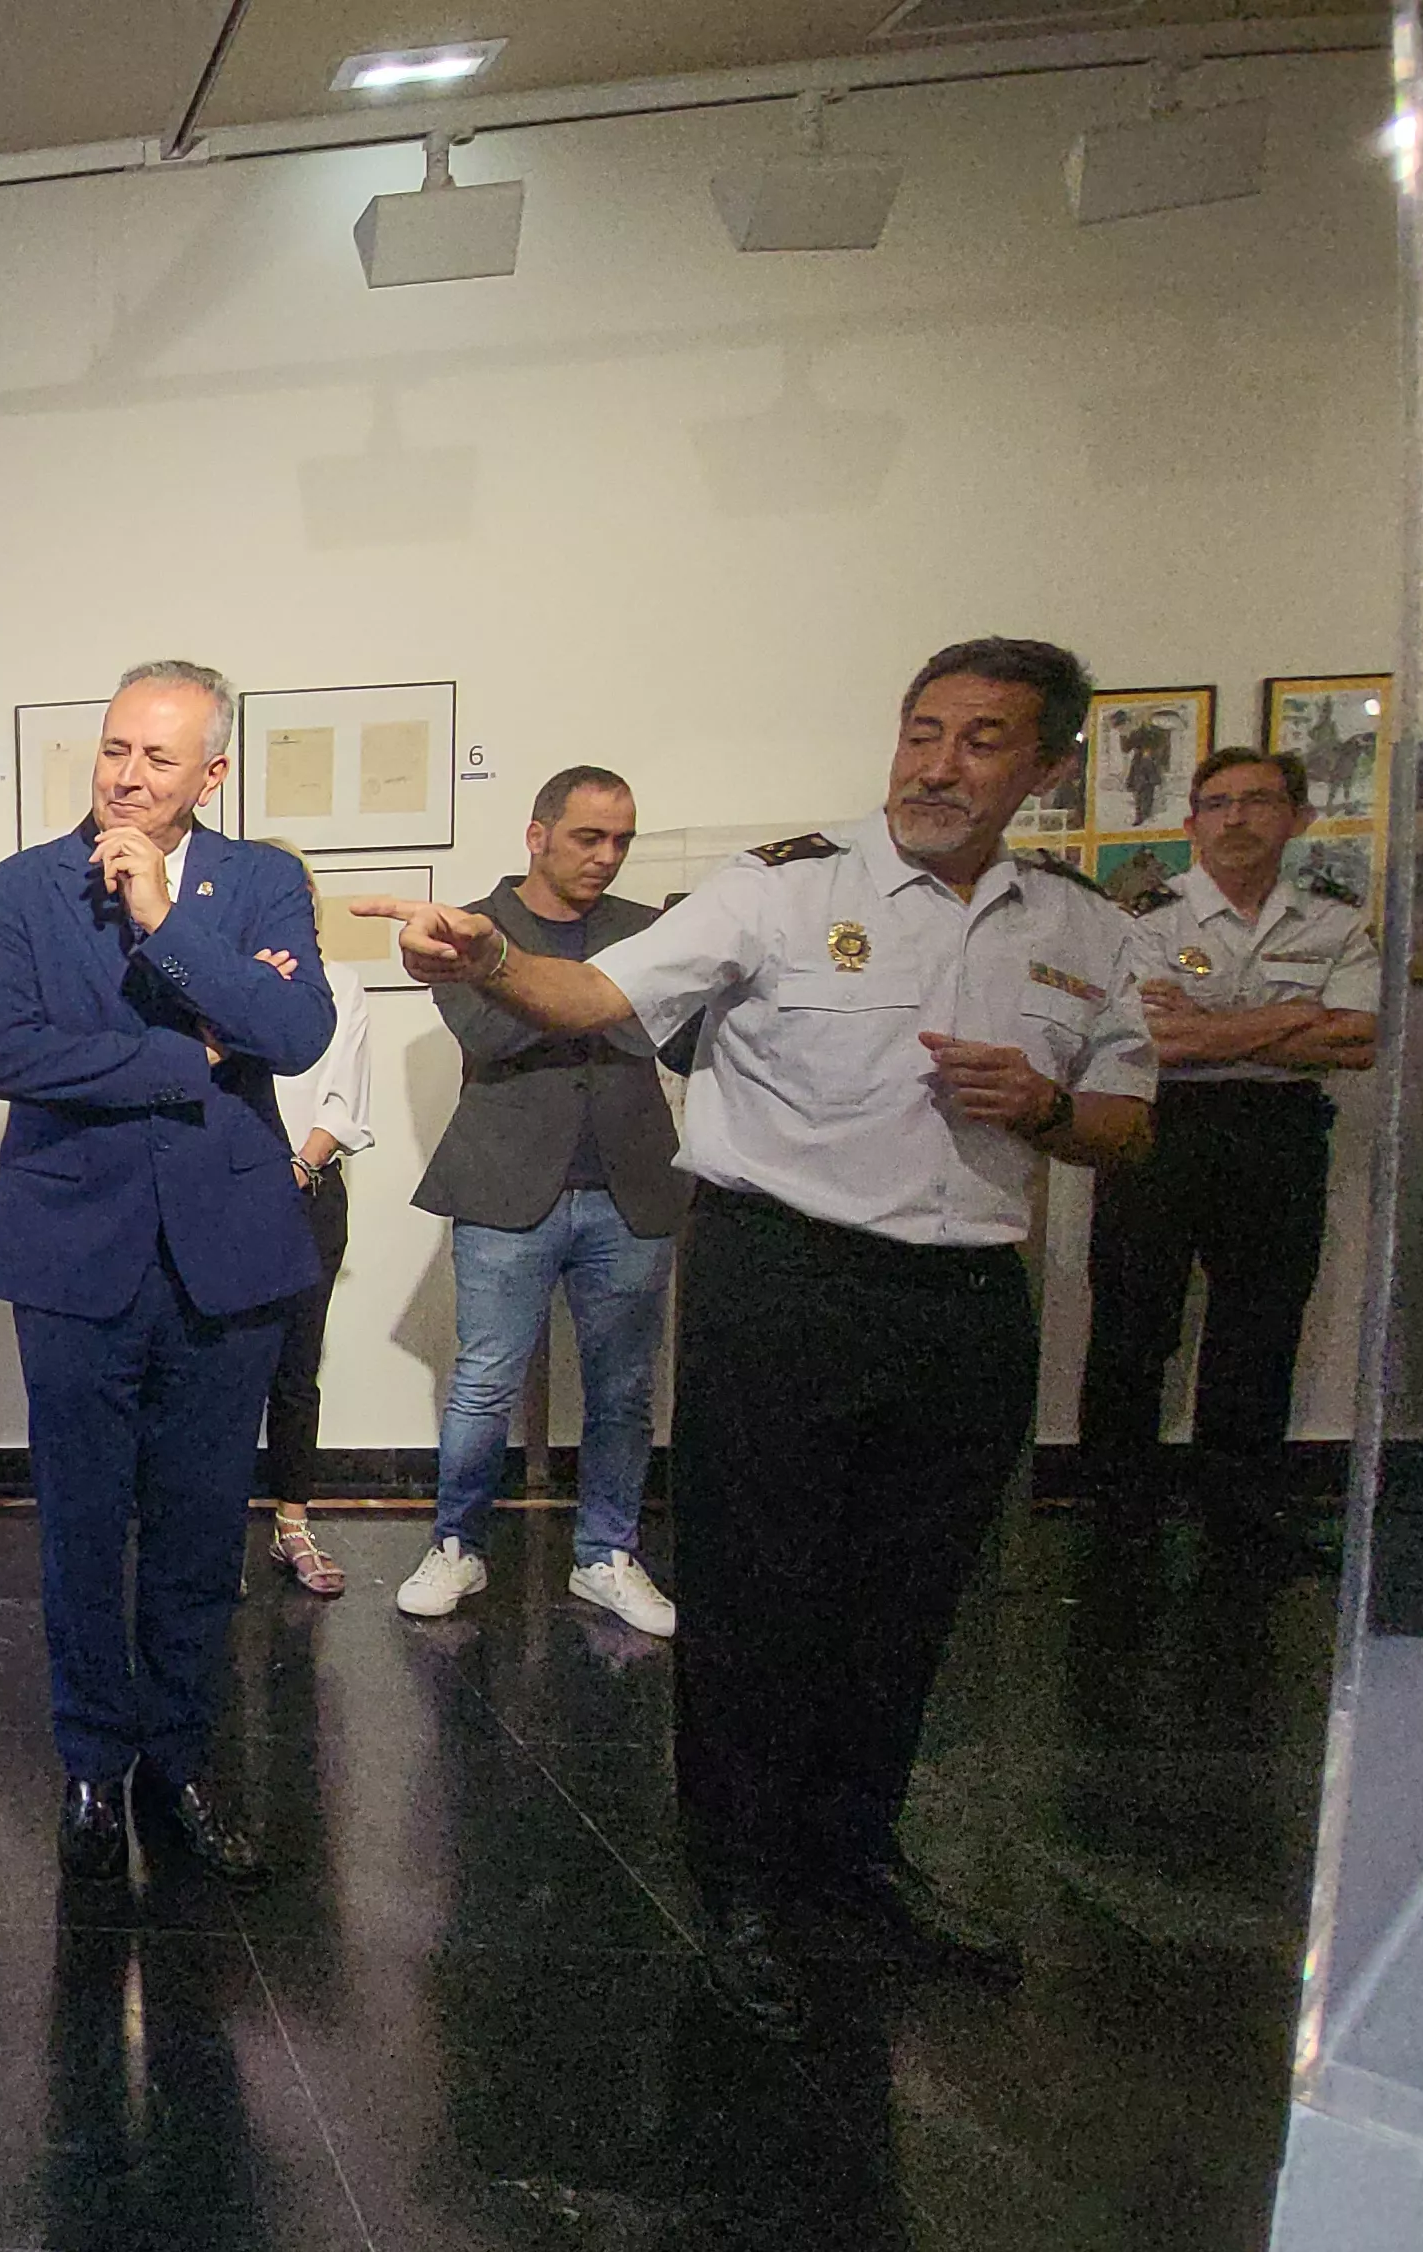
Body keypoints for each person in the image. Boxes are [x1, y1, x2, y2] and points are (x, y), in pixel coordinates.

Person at [351, 638, 1159, 2039]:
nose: (938, 764)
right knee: (757, 1595)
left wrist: (1038, 1107)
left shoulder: (1085, 928)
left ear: (1047, 767)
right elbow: (599, 997)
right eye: (921, 732)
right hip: (781, 1281)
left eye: (980, 740)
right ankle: (738, 1888)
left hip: (965, 1298)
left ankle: (855, 1858)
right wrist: (491, 952)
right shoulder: (787, 888)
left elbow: (1128, 1123)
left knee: (906, 1606)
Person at [0, 659, 335, 1890]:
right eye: (115, 747)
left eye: (157, 758)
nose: (126, 774)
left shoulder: (265, 881)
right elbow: (14, 1055)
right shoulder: (21, 888)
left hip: (227, 1256)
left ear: (210, 774)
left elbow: (295, 1035)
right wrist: (193, 1060)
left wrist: (171, 932)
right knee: (77, 1528)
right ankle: (89, 1762)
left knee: (195, 1534)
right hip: (75, 1253)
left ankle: (181, 1757)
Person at [398, 767, 685, 1637]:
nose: (607, 857)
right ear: (537, 835)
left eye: (621, 841)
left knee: (624, 1391)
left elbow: (673, 1032)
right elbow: (489, 1031)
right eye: (587, 838)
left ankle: (606, 1554)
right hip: (504, 1184)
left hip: (630, 1185)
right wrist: (603, 998)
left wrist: (541, 992)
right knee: (482, 1384)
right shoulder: (469, 928)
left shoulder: (653, 929)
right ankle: (458, 1544)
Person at [1077, 745, 1378, 1561]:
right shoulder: (1143, 918)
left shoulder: (1335, 920)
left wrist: (1205, 1027)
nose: (1236, 819)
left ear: (1298, 818)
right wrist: (1292, 1018)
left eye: (1257, 801)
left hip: (1279, 1133)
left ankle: (1241, 1510)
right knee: (1134, 1318)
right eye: (1218, 803)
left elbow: (1360, 1039)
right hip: (1159, 1126)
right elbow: (1150, 1038)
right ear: (1191, 823)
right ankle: (1118, 1507)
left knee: (1262, 1320)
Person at [254, 941, 375, 1597]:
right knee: (217, 1378)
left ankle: (292, 1524)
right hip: (222, 1195)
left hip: (310, 1192)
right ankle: (211, 1538)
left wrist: (299, 1165)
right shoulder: (215, 975)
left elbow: (343, 1096)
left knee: (297, 1370)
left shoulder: (340, 983)